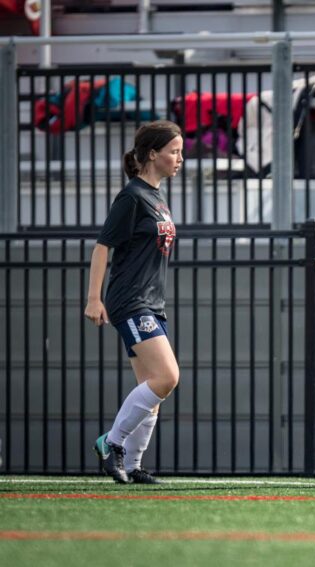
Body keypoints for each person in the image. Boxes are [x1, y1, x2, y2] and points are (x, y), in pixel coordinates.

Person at [84, 120, 183, 484]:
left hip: (152, 304)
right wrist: (94, 299)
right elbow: (102, 246)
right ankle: (112, 443)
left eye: (181, 151)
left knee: (152, 391)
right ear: (152, 154)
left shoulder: (156, 197)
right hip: (131, 301)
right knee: (167, 376)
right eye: (174, 151)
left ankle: (133, 464)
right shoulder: (132, 197)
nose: (180, 158)